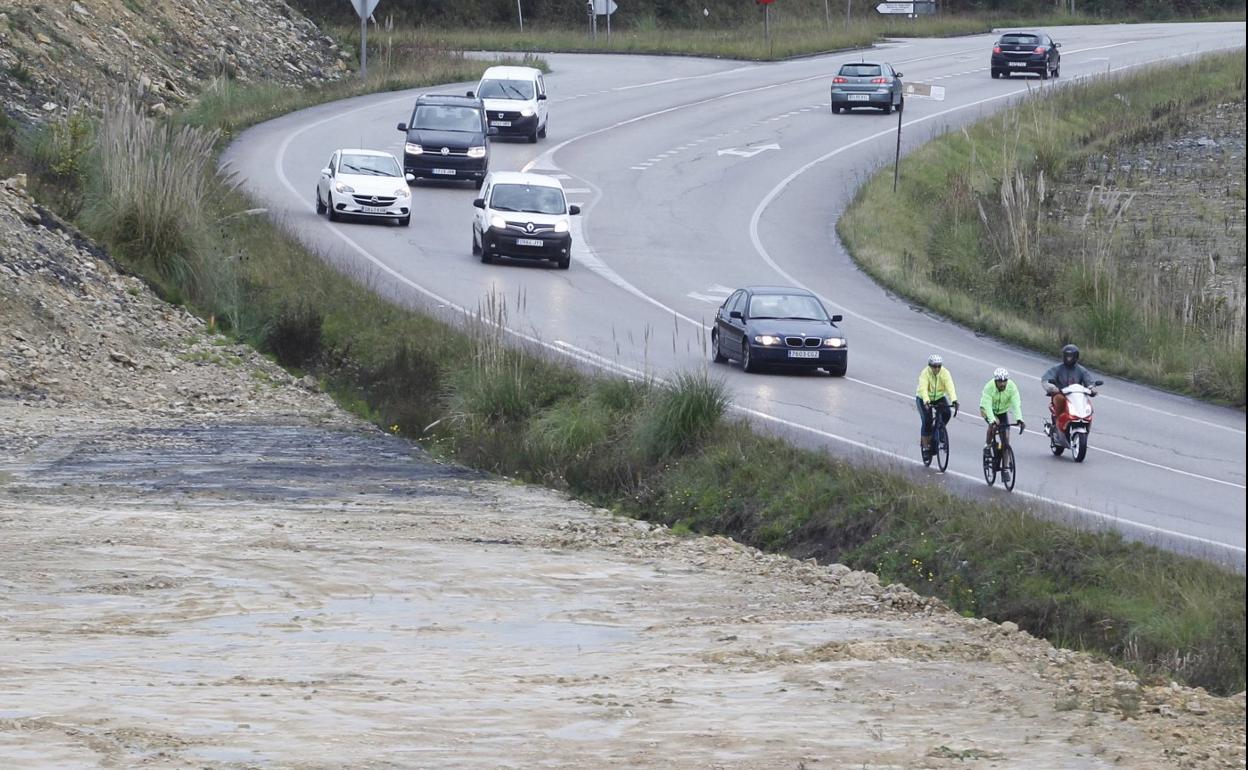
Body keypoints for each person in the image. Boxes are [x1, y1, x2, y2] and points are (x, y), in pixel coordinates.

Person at [1041, 344, 1097, 434]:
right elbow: (1045, 380)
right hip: (1061, 394)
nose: (1068, 358)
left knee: (1088, 405)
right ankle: (1056, 425)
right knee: (1060, 399)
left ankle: (1086, 426)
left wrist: (1092, 388)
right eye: (1067, 356)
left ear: (1076, 357)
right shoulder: (1057, 368)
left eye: (1071, 356)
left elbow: (1089, 381)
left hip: (1076, 396)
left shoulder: (1081, 370)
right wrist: (1052, 388)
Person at [915, 354, 958, 452]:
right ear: (930, 366)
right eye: (934, 366)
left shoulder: (945, 373)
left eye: (939, 366)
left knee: (947, 414)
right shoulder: (925, 373)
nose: (937, 369)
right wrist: (926, 401)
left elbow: (950, 387)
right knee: (927, 420)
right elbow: (923, 388)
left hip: (939, 397)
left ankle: (938, 430)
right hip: (923, 398)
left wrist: (954, 400)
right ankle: (925, 447)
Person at [979, 368, 1024, 454]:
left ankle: (1006, 464)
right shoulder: (989, 387)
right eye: (1000, 381)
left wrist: (1019, 419)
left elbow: (1016, 404)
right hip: (986, 409)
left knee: (1006, 438)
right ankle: (987, 445)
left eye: (1005, 381)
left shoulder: (1012, 387)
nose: (1003, 384)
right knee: (995, 423)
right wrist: (992, 420)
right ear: (995, 381)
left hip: (1002, 411)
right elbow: (987, 405)